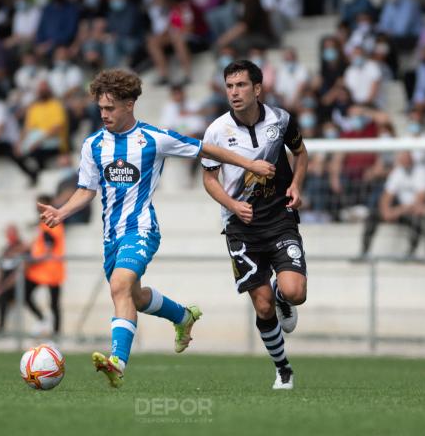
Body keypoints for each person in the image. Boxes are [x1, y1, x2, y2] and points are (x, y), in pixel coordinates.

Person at [37, 68, 275, 388]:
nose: (104, 114)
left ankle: (117, 362)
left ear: (129, 104)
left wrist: (249, 163)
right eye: (100, 108)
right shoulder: (93, 145)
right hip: (111, 237)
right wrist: (61, 211)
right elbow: (86, 189)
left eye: (110, 108)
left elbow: (205, 149)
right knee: (132, 296)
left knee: (120, 285)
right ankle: (182, 316)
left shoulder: (153, 138)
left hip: (142, 229)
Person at [200, 60, 308, 390]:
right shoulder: (216, 131)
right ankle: (283, 369)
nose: (234, 92)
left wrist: (297, 185)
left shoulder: (281, 120)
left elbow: (301, 153)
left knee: (295, 292)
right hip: (240, 226)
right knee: (262, 307)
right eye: (229, 86)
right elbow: (209, 178)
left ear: (257, 89)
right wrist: (233, 205)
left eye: (241, 85)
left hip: (279, 218)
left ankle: (282, 295)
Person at [359, 151, 425, 259]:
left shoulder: (421, 171)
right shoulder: (398, 172)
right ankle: (364, 252)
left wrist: (397, 211)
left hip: (412, 210)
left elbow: (420, 198)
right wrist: (386, 211)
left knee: (417, 220)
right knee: (372, 216)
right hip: (400, 210)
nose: (404, 161)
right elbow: (386, 195)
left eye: (407, 158)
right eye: (402, 158)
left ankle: (411, 254)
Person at [25, 195, 66, 336]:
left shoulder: (52, 223)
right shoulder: (46, 223)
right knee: (27, 294)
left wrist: (34, 259)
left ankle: (55, 333)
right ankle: (45, 322)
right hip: (42, 270)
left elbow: (49, 245)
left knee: (54, 304)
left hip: (50, 269)